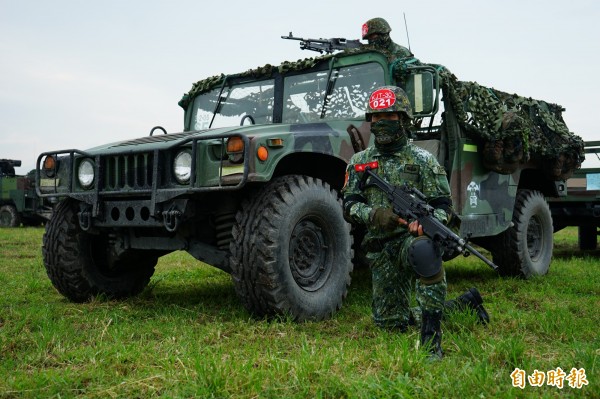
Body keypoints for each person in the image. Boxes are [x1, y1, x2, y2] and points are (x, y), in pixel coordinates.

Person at [342, 86, 489, 359]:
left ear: (403, 120)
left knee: (424, 248)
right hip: (379, 249)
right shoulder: (359, 163)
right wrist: (374, 215)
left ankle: (432, 341)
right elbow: (348, 205)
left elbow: (444, 206)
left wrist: (429, 224)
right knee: (391, 323)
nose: (380, 122)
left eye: (388, 116)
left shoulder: (423, 161)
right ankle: (464, 304)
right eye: (374, 117)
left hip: (408, 241)